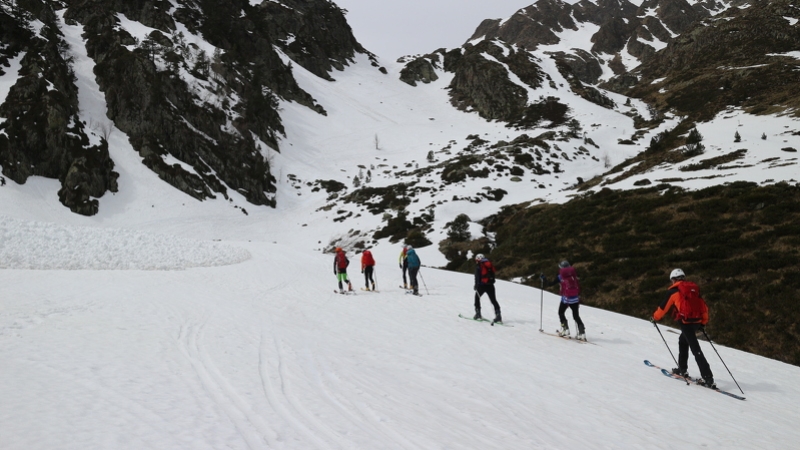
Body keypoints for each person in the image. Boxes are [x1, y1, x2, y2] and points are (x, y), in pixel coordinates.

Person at [651, 268, 715, 388]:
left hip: (686, 323)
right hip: (697, 322)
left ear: (673, 280)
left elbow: (663, 307)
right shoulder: (693, 289)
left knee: (696, 349)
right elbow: (704, 307)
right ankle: (682, 368)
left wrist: (655, 317)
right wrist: (703, 322)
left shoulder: (674, 291)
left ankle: (708, 377)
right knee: (682, 340)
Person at [541, 260, 586, 341]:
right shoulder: (573, 276)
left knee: (561, 312)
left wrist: (544, 279)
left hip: (566, 298)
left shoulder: (560, 277)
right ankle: (582, 333)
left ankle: (565, 329)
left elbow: (550, 284)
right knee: (576, 316)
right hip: (575, 298)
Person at [474, 253, 502, 324]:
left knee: (477, 298)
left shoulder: (479, 266)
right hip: (490, 285)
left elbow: (477, 277)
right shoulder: (489, 265)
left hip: (482, 286)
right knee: (493, 300)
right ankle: (498, 315)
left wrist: (476, 285)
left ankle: (478, 314)